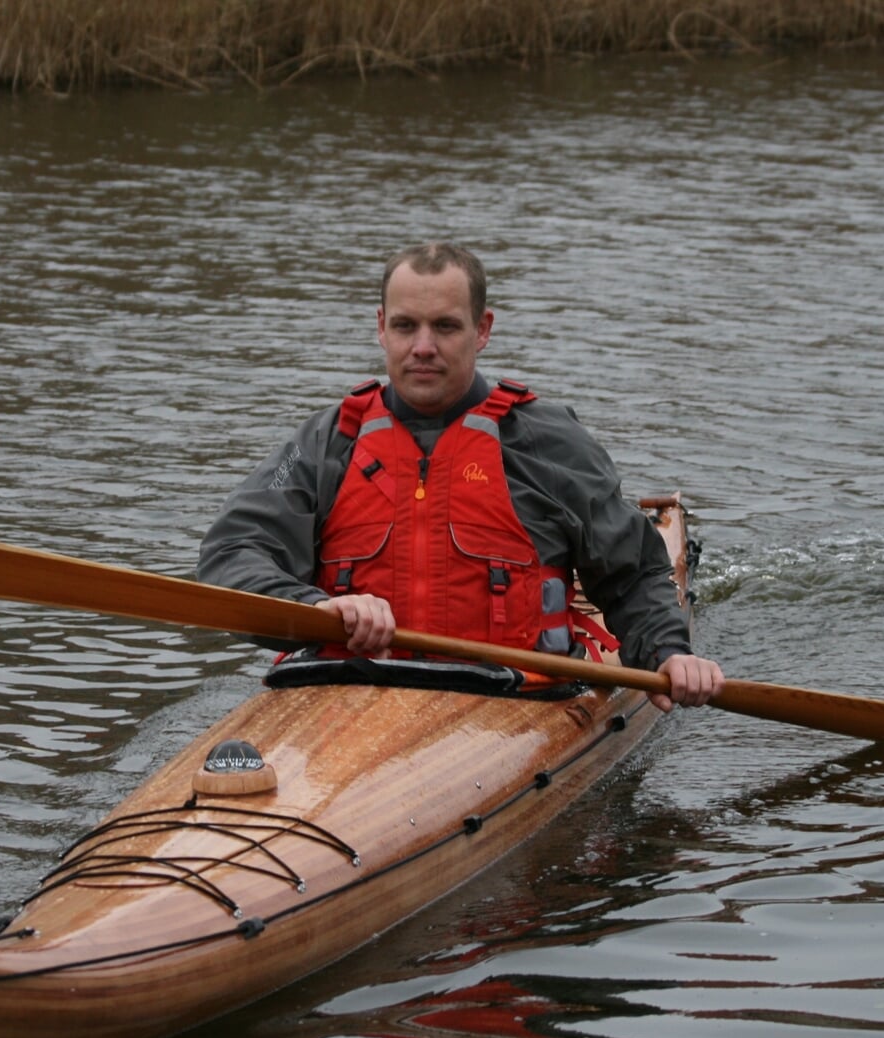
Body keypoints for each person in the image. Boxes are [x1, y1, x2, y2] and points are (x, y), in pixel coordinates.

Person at [197, 242, 723, 712]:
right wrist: (315, 606)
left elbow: (632, 576)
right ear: (381, 327)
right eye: (405, 326)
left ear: (483, 329)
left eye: (445, 326)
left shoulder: (548, 443)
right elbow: (232, 555)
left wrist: (668, 653)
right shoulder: (327, 443)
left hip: (515, 703)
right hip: (346, 698)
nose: (422, 346)